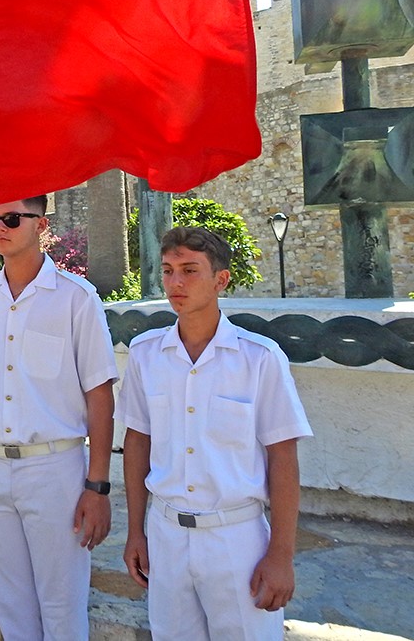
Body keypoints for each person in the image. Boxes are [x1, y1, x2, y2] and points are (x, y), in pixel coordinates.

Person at [118, 227, 313, 641]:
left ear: (220, 279)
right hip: (167, 535)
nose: (176, 283)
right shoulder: (146, 354)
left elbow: (283, 457)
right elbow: (137, 443)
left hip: (236, 539)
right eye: (168, 271)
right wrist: (137, 530)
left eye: (190, 270)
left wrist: (281, 555)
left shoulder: (259, 358)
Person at [0, 196, 118, 639]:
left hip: (54, 471)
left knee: (62, 611)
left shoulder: (76, 298)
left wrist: (97, 486)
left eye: (10, 218)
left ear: (40, 224)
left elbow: (100, 394)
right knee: (10, 610)